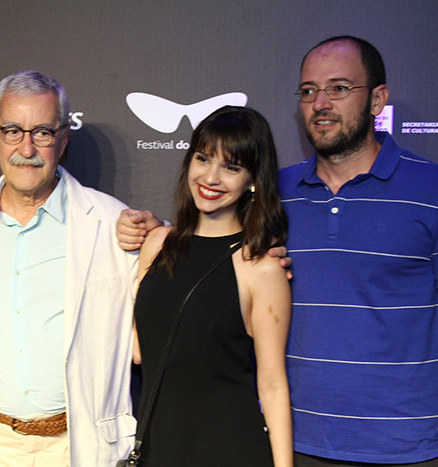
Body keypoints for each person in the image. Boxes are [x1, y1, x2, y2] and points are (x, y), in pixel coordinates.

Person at [119, 36, 438, 466]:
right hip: (296, 440)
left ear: (378, 99)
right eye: (308, 91)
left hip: (406, 445)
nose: (320, 102)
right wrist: (145, 231)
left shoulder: (429, 190)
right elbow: (200, 246)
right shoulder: (276, 196)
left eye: (339, 88)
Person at [0, 70, 137, 466]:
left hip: (77, 445)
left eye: (42, 133)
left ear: (63, 139)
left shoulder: (115, 223)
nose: (25, 148)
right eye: (13, 130)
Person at [132, 106, 292, 466]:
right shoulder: (157, 244)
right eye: (203, 158)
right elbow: (139, 350)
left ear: (252, 179)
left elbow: (272, 384)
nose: (211, 177)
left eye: (231, 167)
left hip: (228, 448)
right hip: (159, 444)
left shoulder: (262, 267)